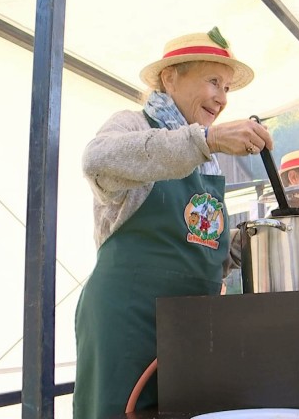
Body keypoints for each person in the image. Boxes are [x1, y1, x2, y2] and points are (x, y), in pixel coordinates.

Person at [74, 27, 272, 418]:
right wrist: (204, 140)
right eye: (213, 81)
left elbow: (197, 239)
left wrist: (247, 242)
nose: (222, 97)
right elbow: (96, 161)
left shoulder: (208, 157)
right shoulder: (134, 125)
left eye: (228, 87)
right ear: (170, 77)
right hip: (129, 320)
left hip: (193, 327)